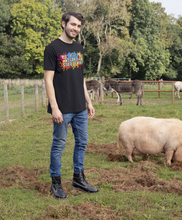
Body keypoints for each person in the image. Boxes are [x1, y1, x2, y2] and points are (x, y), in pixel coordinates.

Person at [44, 11, 99, 199]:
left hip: (80, 107)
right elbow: (48, 80)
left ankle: (78, 179)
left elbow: (80, 77)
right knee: (59, 144)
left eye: (78, 26)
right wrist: (55, 107)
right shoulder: (52, 49)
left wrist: (88, 101)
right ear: (63, 24)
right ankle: (56, 183)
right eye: (73, 24)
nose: (75, 28)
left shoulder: (79, 48)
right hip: (62, 108)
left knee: (82, 142)